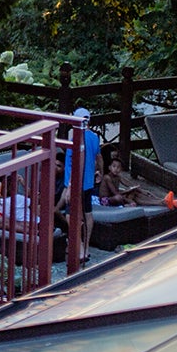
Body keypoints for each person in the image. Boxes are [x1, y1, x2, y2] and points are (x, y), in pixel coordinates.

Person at [59, 107, 102, 256]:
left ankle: (79, 245)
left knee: (71, 215)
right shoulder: (95, 138)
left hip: (76, 184)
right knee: (87, 213)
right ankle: (86, 244)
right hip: (88, 182)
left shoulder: (75, 140)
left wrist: (70, 186)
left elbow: (74, 163)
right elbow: (98, 157)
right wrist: (99, 172)